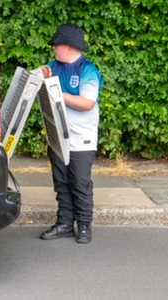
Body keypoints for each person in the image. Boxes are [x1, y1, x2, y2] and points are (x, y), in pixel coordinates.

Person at [38, 24, 103, 244]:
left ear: (68, 47)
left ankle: (84, 225)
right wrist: (41, 74)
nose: (54, 48)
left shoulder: (88, 70)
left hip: (81, 140)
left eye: (57, 44)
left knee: (80, 183)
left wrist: (55, 91)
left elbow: (87, 103)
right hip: (58, 135)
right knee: (61, 183)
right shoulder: (55, 66)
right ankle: (65, 223)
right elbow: (39, 75)